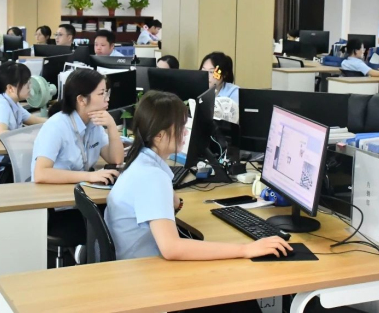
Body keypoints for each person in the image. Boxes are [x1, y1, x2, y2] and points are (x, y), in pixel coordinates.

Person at [105, 90, 291, 266]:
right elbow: (172, 248)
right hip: (145, 270)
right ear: (159, 136)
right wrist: (245, 249)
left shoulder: (140, 161)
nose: (186, 132)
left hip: (132, 264)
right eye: (180, 127)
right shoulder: (152, 177)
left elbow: (167, 204)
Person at [32, 68, 124, 184]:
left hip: (77, 187)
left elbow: (116, 160)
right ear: (81, 100)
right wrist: (89, 176)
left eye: (106, 93)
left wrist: (112, 126)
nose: (107, 99)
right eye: (101, 94)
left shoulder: (93, 123)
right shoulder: (56, 126)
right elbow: (40, 174)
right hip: (52, 191)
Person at [0, 62, 47, 181]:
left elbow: (35, 120)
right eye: (26, 83)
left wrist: (57, 122)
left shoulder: (13, 104)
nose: (30, 86)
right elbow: (1, 134)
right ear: (10, 88)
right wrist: (30, 138)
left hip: (7, 162)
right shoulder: (0, 105)